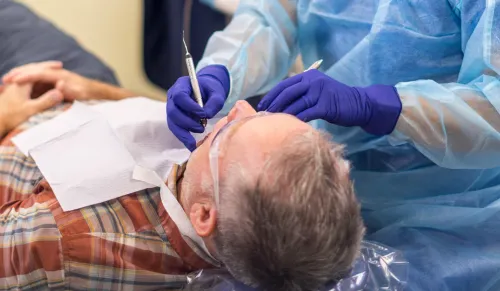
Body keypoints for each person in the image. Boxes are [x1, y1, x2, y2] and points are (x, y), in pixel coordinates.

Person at [167, 1, 500, 290]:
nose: (242, 107)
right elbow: (271, 17)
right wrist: (223, 69)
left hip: (455, 203)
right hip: (306, 209)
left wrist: (386, 106)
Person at [1, 61, 364, 290]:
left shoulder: (55, 238)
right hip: (85, 101)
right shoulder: (212, 190)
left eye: (230, 131)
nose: (237, 106)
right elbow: (154, 132)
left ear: (203, 215)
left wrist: (6, 115)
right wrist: (102, 93)